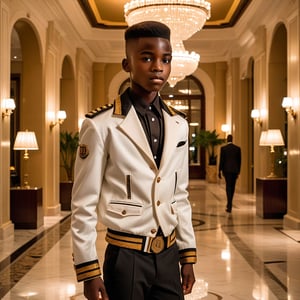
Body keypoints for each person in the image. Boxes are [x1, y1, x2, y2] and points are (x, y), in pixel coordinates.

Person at [71, 21, 197, 300]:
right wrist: (88, 271)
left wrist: (187, 254)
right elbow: (83, 204)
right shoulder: (100, 125)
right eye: (147, 57)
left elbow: (180, 194)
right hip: (125, 257)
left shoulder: (179, 124)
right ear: (127, 64)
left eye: (166, 59)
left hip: (168, 254)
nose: (158, 67)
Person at [218, 134, 241, 213]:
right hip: (234, 171)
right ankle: (230, 203)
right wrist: (238, 171)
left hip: (226, 170)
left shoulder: (223, 148)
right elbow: (239, 161)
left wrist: (219, 171)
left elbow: (221, 160)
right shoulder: (237, 149)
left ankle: (229, 204)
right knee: (233, 187)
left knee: (228, 187)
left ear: (227, 139)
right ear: (232, 139)